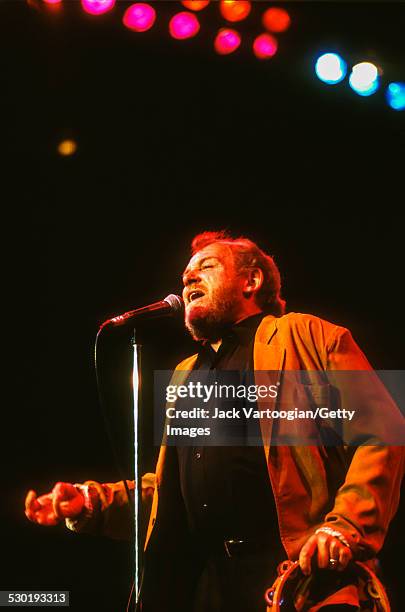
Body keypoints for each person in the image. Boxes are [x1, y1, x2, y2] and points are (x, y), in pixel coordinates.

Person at [25, 231, 404, 611]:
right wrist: (93, 502)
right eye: (185, 275)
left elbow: (382, 433)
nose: (188, 279)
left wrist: (346, 525)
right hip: (204, 588)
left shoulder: (307, 336)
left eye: (206, 267)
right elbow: (171, 497)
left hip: (295, 583)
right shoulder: (186, 373)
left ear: (251, 282)